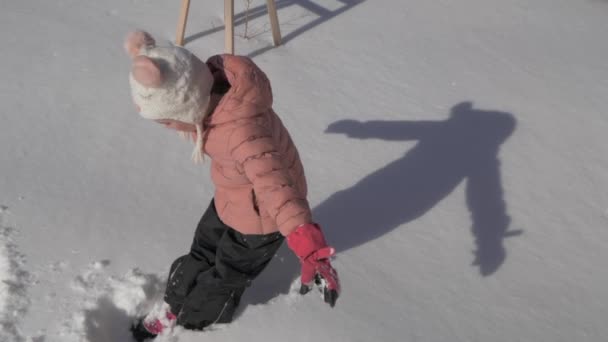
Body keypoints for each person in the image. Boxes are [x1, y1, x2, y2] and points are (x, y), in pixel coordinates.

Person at [123, 31, 340, 340]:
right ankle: (173, 305)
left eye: (168, 122)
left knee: (226, 275)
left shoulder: (243, 133)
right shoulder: (212, 93)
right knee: (201, 251)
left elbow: (276, 186)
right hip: (231, 197)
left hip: (261, 220)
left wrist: (309, 246)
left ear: (188, 106)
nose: (169, 129)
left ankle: (193, 326)